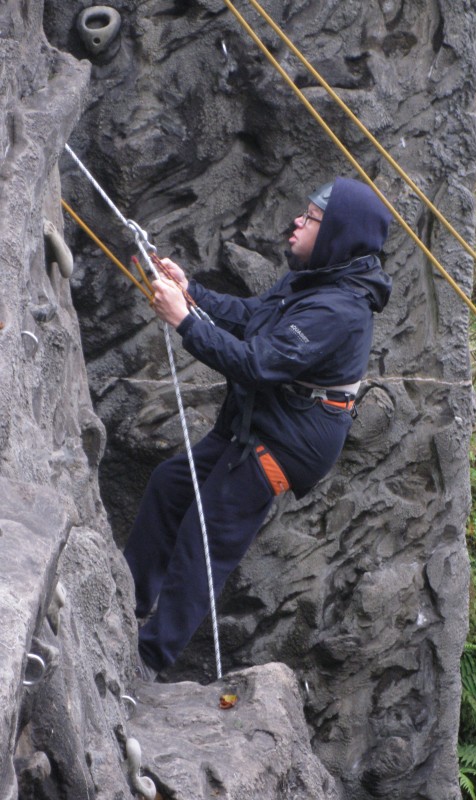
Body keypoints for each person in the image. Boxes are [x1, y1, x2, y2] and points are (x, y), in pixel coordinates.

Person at [124, 176, 392, 680]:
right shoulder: (317, 277)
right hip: (264, 416)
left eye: (310, 219)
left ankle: (147, 659)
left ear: (335, 232)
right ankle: (129, 601)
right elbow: (252, 316)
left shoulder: (340, 310)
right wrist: (192, 293)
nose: (296, 221)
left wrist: (185, 321)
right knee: (169, 485)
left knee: (205, 537)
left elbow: (254, 363)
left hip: (288, 439)